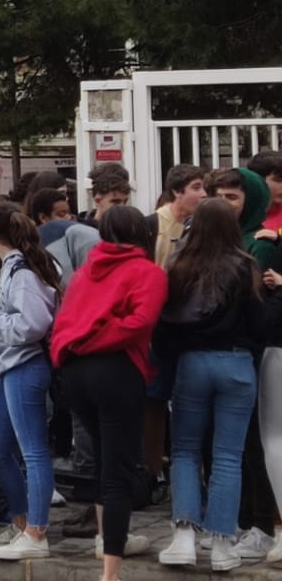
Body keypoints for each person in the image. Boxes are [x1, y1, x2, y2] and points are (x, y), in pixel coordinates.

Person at [51, 205, 165, 580]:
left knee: (102, 464)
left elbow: (64, 322)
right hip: (116, 371)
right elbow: (140, 322)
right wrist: (100, 338)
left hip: (74, 372)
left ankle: (106, 540)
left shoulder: (84, 273)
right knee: (119, 471)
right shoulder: (147, 272)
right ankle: (110, 572)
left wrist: (77, 346)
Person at [154, 199, 262, 571]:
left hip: (192, 362)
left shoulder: (179, 265)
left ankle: (184, 535)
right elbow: (258, 322)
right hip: (236, 363)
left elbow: (164, 325)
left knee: (184, 450)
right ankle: (222, 543)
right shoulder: (246, 265)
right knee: (229, 455)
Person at [0, 201, 63, 561]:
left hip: (25, 365)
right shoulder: (18, 267)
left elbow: (31, 325)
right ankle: (23, 521)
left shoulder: (22, 272)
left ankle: (36, 531)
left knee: (32, 451)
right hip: (13, 366)